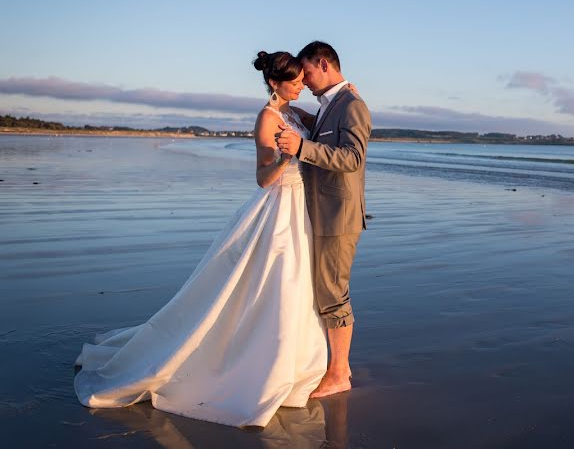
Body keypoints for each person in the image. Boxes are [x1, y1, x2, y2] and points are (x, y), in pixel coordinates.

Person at [73, 51, 335, 428]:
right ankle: (259, 367)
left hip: (301, 210)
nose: (300, 85)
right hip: (279, 207)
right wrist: (286, 157)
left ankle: (296, 365)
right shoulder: (268, 118)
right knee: (277, 283)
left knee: (295, 287)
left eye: (300, 80)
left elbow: (326, 119)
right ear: (275, 84)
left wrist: (345, 95)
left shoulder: (294, 113)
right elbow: (262, 178)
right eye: (294, 81)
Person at [276, 41, 371, 399]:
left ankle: (339, 373)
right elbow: (327, 132)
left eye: (308, 73)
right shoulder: (332, 105)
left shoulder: (353, 105)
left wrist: (300, 147)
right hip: (319, 212)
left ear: (323, 63)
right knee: (322, 290)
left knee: (333, 293)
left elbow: (352, 158)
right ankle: (330, 367)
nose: (305, 80)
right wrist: (299, 116)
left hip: (339, 215)